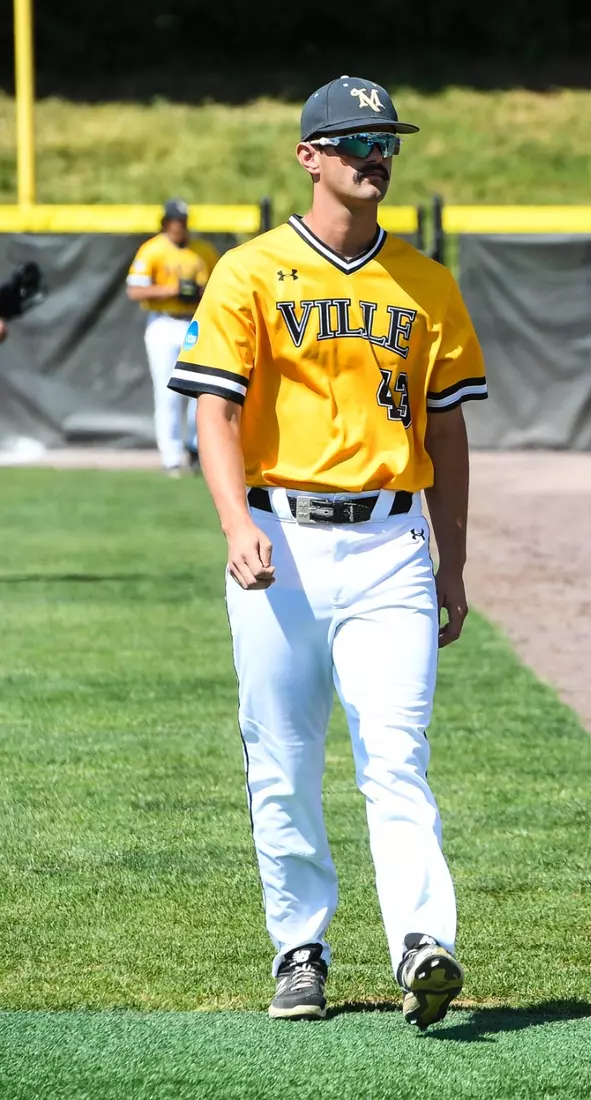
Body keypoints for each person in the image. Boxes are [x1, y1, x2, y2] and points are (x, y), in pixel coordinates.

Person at [167, 75, 487, 1030]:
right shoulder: (250, 271)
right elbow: (215, 412)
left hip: (392, 541)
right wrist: (236, 524)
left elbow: (450, 432)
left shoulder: (427, 282)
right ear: (309, 156)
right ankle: (299, 947)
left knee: (396, 756)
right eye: (352, 140)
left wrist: (454, 562)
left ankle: (422, 943)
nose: (372, 154)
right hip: (282, 540)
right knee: (284, 756)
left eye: (384, 139)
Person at [128, 198, 218, 476]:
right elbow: (135, 290)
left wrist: (197, 292)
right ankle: (171, 455)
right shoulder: (153, 250)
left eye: (184, 221)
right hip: (164, 322)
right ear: (166, 223)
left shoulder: (202, 251)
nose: (181, 226)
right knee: (167, 392)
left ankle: (195, 449)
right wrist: (173, 290)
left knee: (199, 389)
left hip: (194, 322)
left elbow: (217, 288)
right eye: (176, 221)